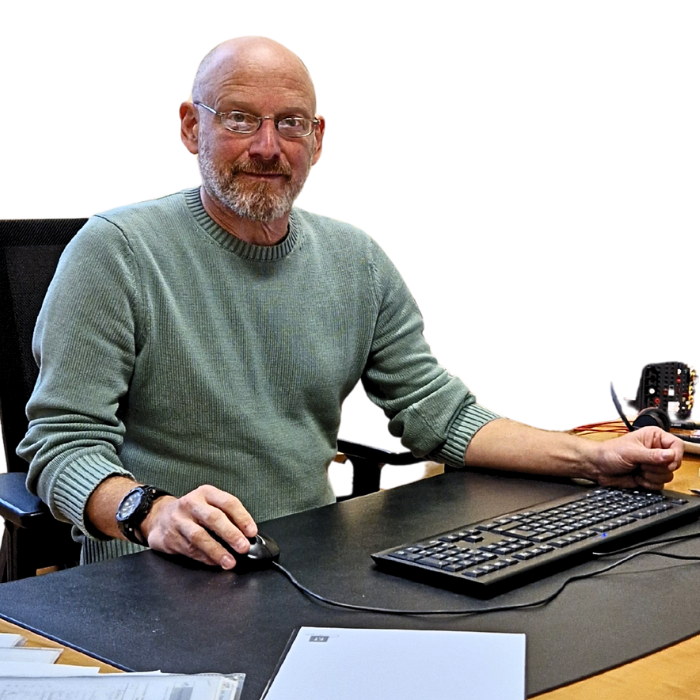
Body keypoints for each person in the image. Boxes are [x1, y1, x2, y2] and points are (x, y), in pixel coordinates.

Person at [18, 37, 683, 571]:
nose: (268, 147)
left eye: (290, 123)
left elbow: (441, 415)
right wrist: (152, 512)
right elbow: (61, 446)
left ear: (318, 137)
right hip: (153, 574)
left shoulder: (354, 259)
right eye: (241, 118)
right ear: (193, 127)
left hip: (304, 558)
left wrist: (596, 459)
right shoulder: (116, 252)